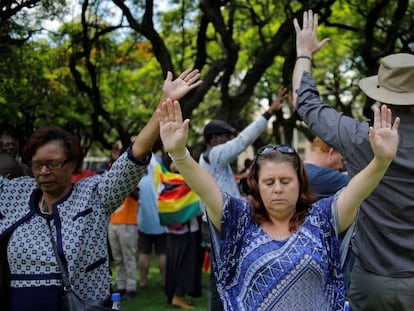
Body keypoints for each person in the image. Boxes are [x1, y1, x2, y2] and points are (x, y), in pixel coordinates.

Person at [156, 98, 399, 310]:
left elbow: (355, 192)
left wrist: (381, 161)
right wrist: (180, 153)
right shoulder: (239, 219)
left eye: (286, 180)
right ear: (257, 186)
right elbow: (207, 189)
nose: (278, 188)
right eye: (269, 182)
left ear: (300, 182)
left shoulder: (323, 217)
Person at [0, 68, 202, 311]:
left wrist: (164, 103)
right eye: (37, 165)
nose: (44, 171)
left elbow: (133, 156)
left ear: (73, 164)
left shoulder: (93, 194)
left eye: (53, 164)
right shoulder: (14, 195)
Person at [292, 9, 414, 310]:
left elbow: (305, 102)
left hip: (373, 279)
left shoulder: (360, 138)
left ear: (380, 96)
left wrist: (304, 53)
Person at [199, 86, 286, 311]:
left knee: (225, 277)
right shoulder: (216, 155)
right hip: (218, 226)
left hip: (219, 224)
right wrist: (268, 113)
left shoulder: (216, 162)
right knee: (222, 280)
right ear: (214, 138)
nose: (230, 142)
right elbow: (242, 142)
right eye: (226, 137)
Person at [162, 158, 204, 309]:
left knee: (174, 264)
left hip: (172, 231)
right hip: (186, 231)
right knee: (185, 264)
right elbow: (197, 205)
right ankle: (178, 296)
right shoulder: (185, 184)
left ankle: (174, 294)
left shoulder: (167, 183)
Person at [137, 159, 167, 290]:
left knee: (144, 253)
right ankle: (165, 281)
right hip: (161, 224)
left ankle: (143, 281)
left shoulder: (141, 182)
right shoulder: (162, 182)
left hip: (144, 224)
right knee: (163, 253)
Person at [108, 186, 139, 299]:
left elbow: (137, 196)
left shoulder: (130, 180)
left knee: (128, 257)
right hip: (113, 222)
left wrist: (125, 185)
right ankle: (121, 285)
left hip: (127, 223)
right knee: (118, 258)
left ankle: (131, 287)